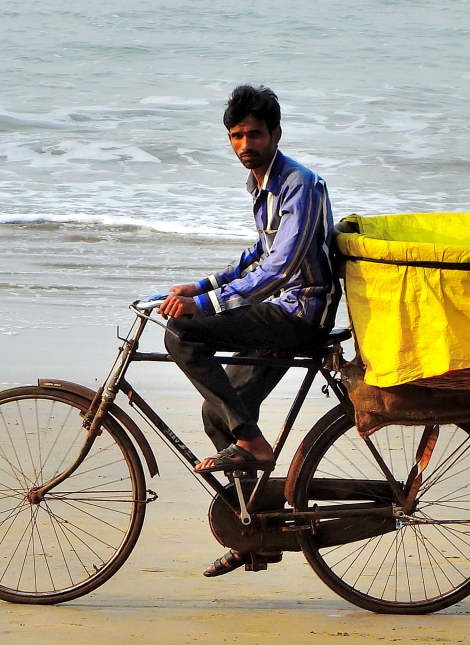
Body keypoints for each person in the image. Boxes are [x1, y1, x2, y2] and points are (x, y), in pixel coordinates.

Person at [157, 85, 339, 577]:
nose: (244, 145)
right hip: (277, 312)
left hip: (298, 315)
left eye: (254, 134)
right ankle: (254, 534)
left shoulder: (301, 185)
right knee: (220, 414)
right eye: (235, 136)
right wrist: (203, 283)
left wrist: (204, 304)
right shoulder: (261, 184)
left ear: (276, 133)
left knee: (182, 335)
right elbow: (257, 254)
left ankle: (254, 445)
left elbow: (282, 268)